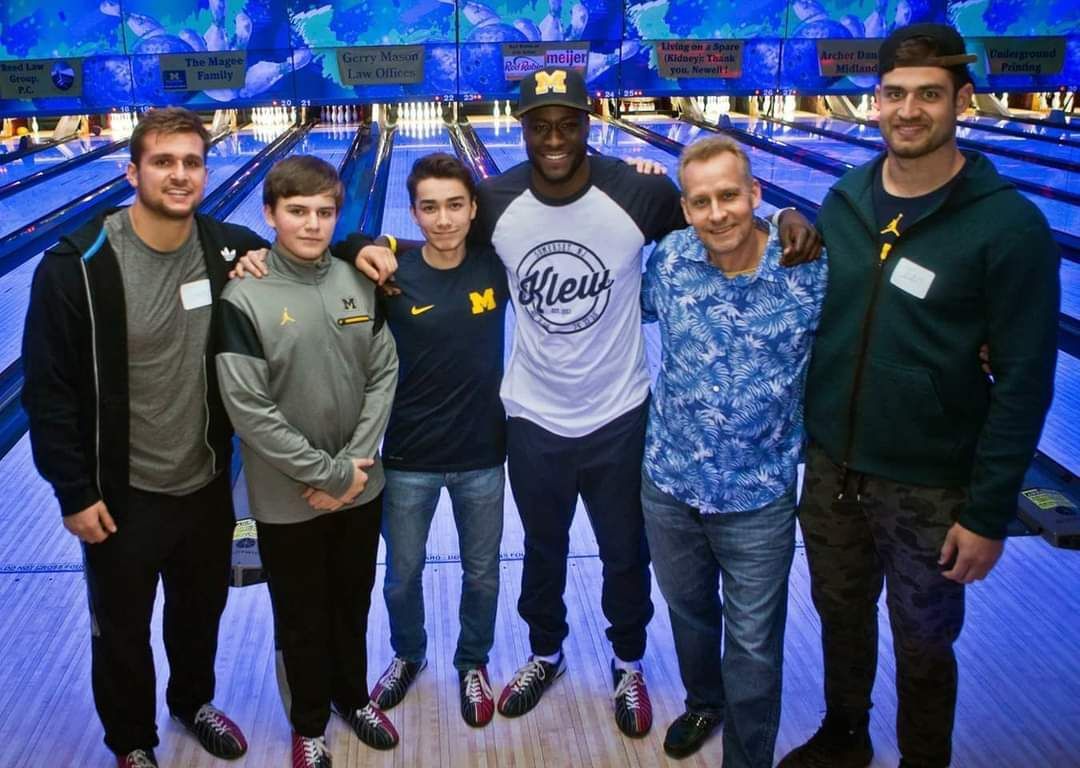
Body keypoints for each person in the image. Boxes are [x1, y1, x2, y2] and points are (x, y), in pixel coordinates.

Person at [348, 67, 821, 738]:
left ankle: (628, 664)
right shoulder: (495, 200)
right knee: (543, 549)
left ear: (589, 122)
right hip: (535, 419)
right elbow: (433, 242)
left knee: (626, 553)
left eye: (567, 123)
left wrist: (786, 212)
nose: (554, 137)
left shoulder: (639, 192)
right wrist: (362, 243)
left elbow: (717, 212)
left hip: (621, 416)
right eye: (540, 125)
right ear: (521, 129)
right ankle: (546, 655)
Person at [777, 24, 1060, 768]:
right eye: (895, 94)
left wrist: (988, 511)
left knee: (924, 638)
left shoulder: (1010, 227)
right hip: (834, 467)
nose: (909, 110)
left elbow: (1027, 380)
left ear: (961, 101)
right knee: (839, 614)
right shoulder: (844, 199)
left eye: (928, 95)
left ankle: (922, 758)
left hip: (930, 483)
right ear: (874, 102)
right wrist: (784, 215)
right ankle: (844, 736)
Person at [21, 107, 264, 768]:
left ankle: (193, 702)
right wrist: (73, 491)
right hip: (120, 493)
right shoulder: (76, 267)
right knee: (121, 632)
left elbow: (313, 245)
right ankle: (131, 742)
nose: (179, 175)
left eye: (191, 162)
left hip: (206, 482)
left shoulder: (227, 247)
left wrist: (364, 247)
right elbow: (47, 391)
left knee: (199, 614)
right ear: (133, 171)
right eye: (163, 161)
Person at [640, 135, 827, 763]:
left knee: (752, 644)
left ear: (756, 194)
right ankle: (703, 702)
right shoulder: (668, 261)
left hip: (758, 495)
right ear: (686, 209)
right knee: (689, 614)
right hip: (670, 483)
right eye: (700, 201)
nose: (716, 212)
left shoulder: (810, 270)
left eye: (729, 196)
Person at [215, 155, 400, 768]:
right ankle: (309, 723)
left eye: (325, 212)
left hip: (362, 487)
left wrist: (355, 466)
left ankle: (353, 697)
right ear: (269, 215)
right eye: (298, 211)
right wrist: (329, 475)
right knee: (300, 616)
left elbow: (384, 373)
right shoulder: (243, 296)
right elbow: (249, 410)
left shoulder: (357, 279)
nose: (313, 224)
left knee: (353, 601)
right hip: (287, 498)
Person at [362, 153, 509, 728]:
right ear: (413, 212)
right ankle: (408, 654)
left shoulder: (498, 265)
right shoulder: (388, 270)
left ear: (474, 209)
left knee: (483, 572)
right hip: (407, 458)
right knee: (401, 574)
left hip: (482, 455)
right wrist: (362, 243)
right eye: (430, 207)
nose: (443, 219)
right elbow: (333, 250)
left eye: (455, 205)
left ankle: (473, 662)